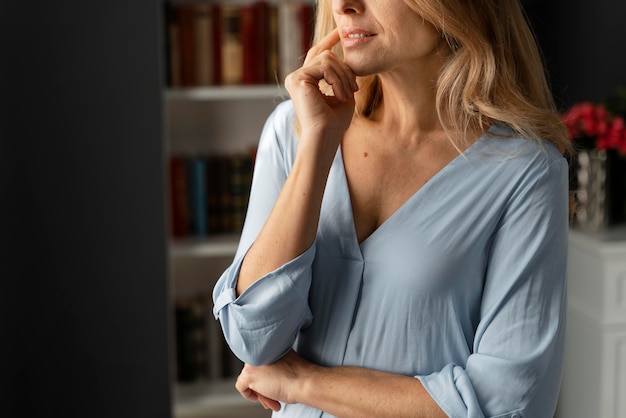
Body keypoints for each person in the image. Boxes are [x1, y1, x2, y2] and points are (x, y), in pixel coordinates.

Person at [212, 0, 571, 416]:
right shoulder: (294, 130)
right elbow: (254, 338)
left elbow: (511, 404)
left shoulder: (526, 173)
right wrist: (317, 144)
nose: (345, 6)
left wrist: (304, 382)